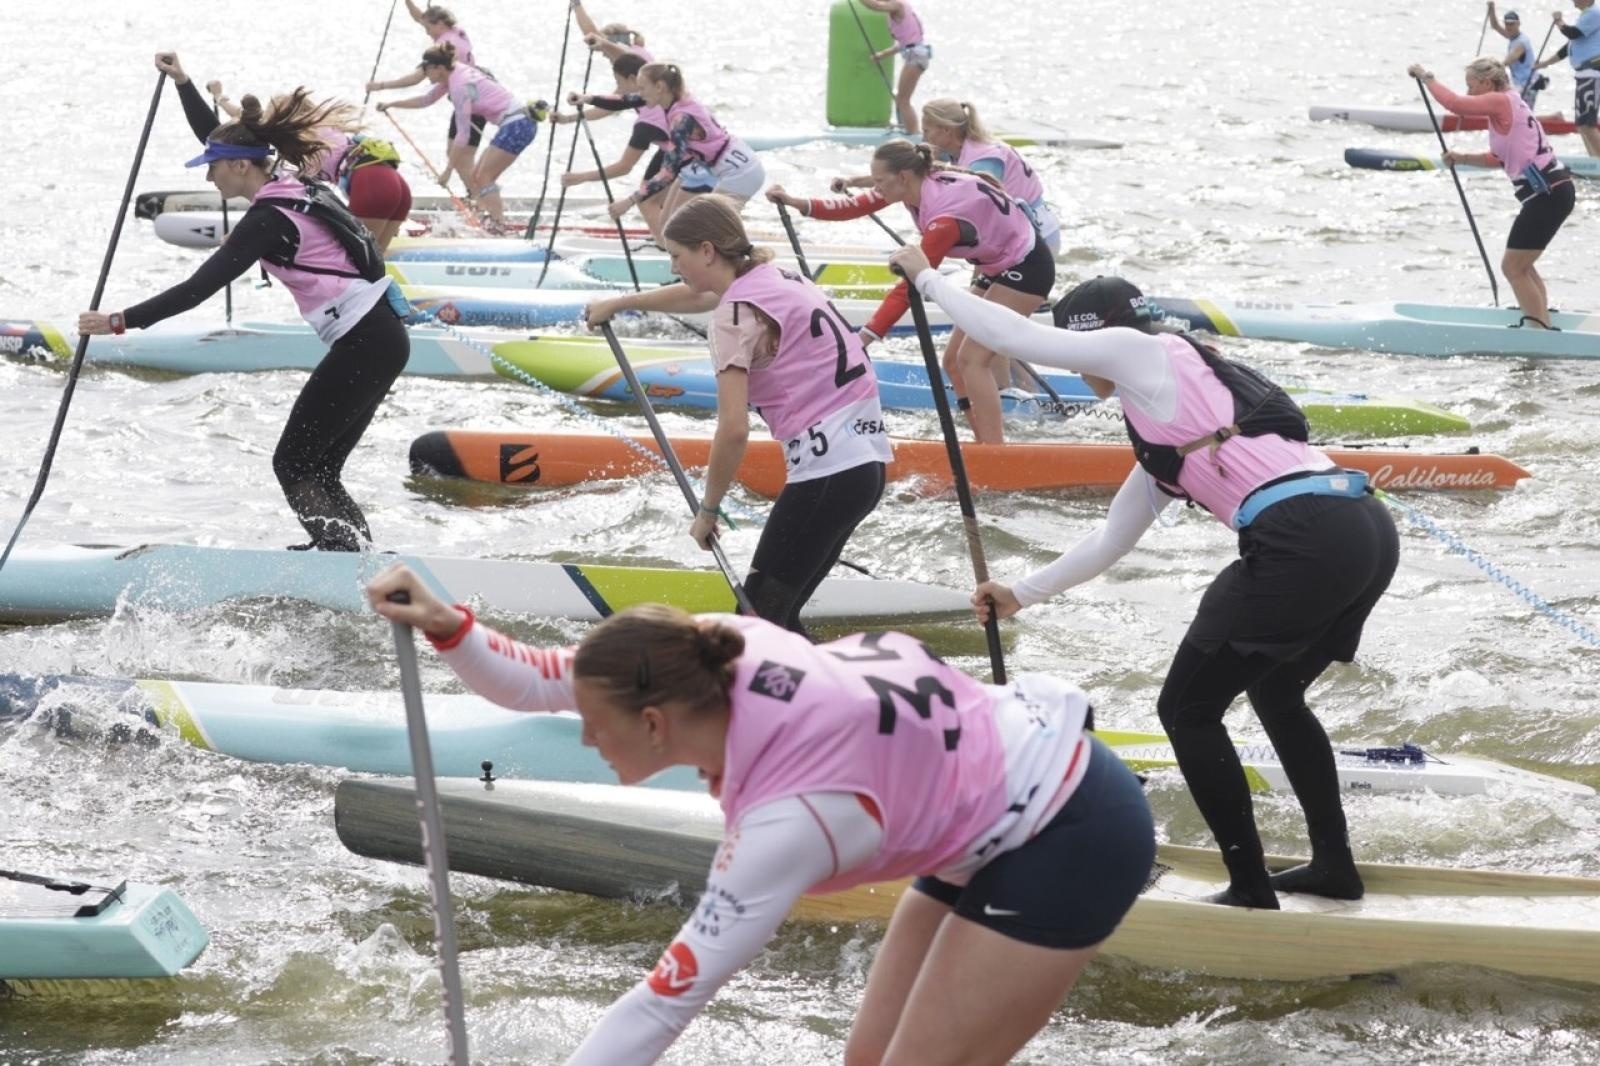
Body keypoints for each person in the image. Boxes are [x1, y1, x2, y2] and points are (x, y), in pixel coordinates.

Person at [366, 566, 1155, 1066]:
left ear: (653, 725)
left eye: (594, 725)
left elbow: (662, 1006)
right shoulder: (708, 653)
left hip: (1071, 827)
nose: (583, 735)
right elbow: (539, 678)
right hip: (982, 811)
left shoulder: (787, 824)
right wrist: (447, 625)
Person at [888, 245, 1400, 910]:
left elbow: (1010, 335)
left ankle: (1249, 888)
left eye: (1081, 352)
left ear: (1100, 336)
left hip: (1304, 535)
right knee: (1275, 693)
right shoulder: (1174, 413)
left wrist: (928, 278)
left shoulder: (1141, 349)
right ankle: (1334, 867)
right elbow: (1112, 538)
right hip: (1362, 528)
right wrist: (1019, 594)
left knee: (1186, 710)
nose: (1083, 369)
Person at [77, 91, 411, 552]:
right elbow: (232, 140)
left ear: (239, 165)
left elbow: (196, 290)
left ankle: (344, 561)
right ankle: (357, 560)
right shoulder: (295, 183)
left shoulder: (267, 219)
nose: (207, 175)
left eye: (211, 166)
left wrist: (118, 320)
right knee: (319, 468)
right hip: (381, 337)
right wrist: (184, 84)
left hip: (366, 342)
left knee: (292, 464)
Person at [584, 197, 890, 635]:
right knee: (777, 622)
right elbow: (700, 294)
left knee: (753, 626)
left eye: (677, 256)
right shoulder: (777, 277)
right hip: (866, 467)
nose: (673, 267)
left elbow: (733, 430)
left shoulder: (731, 318)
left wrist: (708, 510)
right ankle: (832, 679)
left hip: (827, 475)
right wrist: (621, 303)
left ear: (707, 251)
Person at [767, 141, 1054, 445]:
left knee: (971, 359)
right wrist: (796, 203)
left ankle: (995, 453)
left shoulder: (945, 220)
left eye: (879, 180)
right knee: (953, 363)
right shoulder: (917, 184)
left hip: (1028, 268)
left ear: (903, 177)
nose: (875, 187)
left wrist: (864, 339)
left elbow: (908, 287)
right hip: (998, 265)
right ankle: (982, 444)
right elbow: (855, 206)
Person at [154, 54, 413, 257]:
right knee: (374, 262)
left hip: (371, 185)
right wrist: (218, 96)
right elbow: (245, 122)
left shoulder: (298, 132)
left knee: (356, 258)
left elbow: (241, 121)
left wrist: (211, 93)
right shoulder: (319, 125)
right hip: (395, 184)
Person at [1409, 58, 1574, 328]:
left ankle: (1538, 332)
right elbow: (1498, 158)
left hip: (1548, 194)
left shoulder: (1500, 100)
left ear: (1487, 83)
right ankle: (1542, 322)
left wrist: (1426, 77)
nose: (1469, 92)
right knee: (1522, 265)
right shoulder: (1509, 105)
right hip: (1553, 192)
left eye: (1471, 86)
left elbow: (1456, 104)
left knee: (1512, 268)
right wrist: (1462, 157)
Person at [377, 43, 544, 228]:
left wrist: (448, 171)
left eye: (427, 71)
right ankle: (491, 220)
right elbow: (426, 100)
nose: (425, 76)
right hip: (518, 124)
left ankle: (498, 225)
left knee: (484, 177)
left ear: (439, 68)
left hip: (518, 125)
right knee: (477, 177)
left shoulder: (459, 86)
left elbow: (463, 135)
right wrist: (391, 104)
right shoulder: (454, 72)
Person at [606, 64, 765, 231]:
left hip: (740, 173)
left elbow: (667, 174)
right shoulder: (676, 99)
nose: (640, 94)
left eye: (642, 88)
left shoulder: (681, 120)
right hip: (735, 165)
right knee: (676, 226)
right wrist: (589, 99)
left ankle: (739, 247)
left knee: (706, 229)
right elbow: (627, 100)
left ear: (659, 87)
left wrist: (629, 202)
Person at [557, 52, 686, 243]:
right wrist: (575, 110)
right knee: (655, 197)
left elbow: (624, 167)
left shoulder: (647, 123)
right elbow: (617, 102)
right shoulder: (656, 78)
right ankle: (669, 240)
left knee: (647, 200)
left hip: (686, 155)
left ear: (634, 80)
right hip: (672, 149)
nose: (617, 89)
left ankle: (669, 248)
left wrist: (581, 178)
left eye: (618, 82)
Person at [364, 4, 488, 188]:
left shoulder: (445, 51)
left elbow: (416, 78)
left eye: (428, 28)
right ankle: (476, 195)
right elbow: (426, 100)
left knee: (463, 157)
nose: (426, 33)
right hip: (472, 89)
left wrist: (380, 86)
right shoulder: (454, 33)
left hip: (474, 97)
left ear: (440, 24)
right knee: (453, 153)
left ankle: (480, 198)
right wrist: (407, 1)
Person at [920, 98, 1061, 252]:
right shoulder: (963, 149)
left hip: (1039, 235)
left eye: (926, 131)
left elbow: (981, 213)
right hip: (1035, 226)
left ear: (947, 131)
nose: (923, 138)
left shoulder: (983, 161)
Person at [1534, 0, 1600, 156]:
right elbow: (1567, 48)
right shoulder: (1585, 16)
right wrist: (1544, 64)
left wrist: (1559, 21)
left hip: (1592, 74)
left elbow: (1572, 33)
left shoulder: (1594, 13)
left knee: (1587, 124)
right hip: (1583, 76)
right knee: (1581, 125)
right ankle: (1594, 161)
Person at [859, 0, 931, 136]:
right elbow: (903, 43)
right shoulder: (899, 10)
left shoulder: (897, 5)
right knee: (901, 99)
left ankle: (913, 133)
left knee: (903, 100)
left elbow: (876, 6)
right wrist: (882, 54)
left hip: (915, 56)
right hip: (916, 55)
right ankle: (906, 128)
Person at [1486, 4, 1544, 104]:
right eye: (1507, 24)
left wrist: (1488, 69)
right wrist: (1491, 8)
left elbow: (1508, 61)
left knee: (1523, 112)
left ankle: (1556, 115)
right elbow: (1495, 25)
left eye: (1512, 24)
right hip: (1520, 84)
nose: (1509, 27)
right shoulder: (1512, 36)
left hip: (1529, 84)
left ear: (1518, 24)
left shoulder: (1522, 42)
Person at [571, 0, 650, 62]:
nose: (603, 54)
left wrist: (576, 4)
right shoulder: (637, 51)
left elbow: (593, 36)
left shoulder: (626, 53)